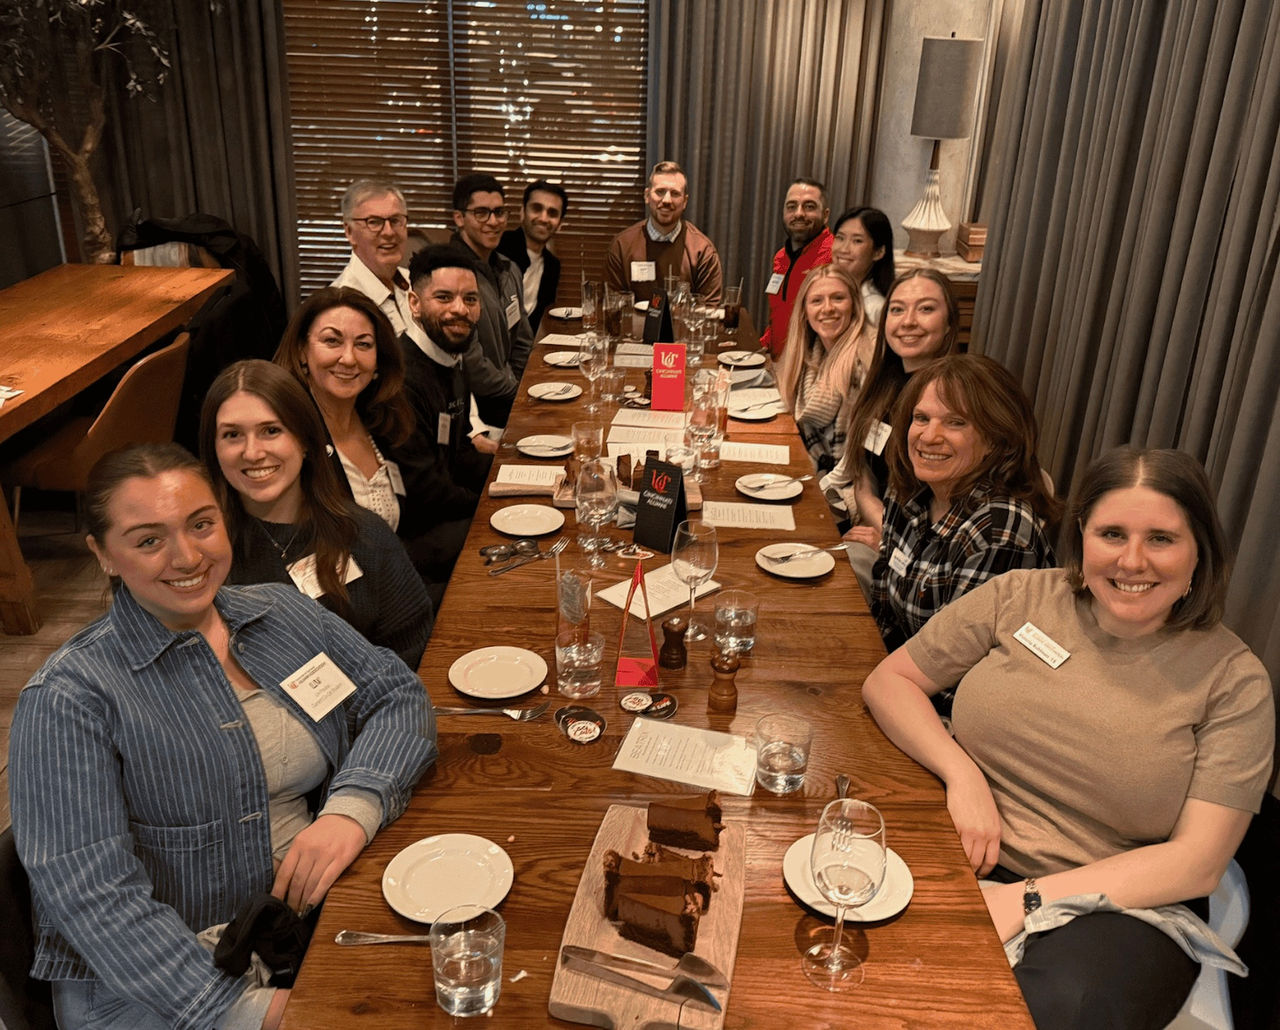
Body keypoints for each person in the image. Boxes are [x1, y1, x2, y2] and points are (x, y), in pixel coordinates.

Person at [9, 442, 436, 1030]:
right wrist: (243, 1008)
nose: (187, 556)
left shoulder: (281, 615)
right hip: (156, 988)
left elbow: (397, 696)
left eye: (201, 525)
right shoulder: (70, 699)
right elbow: (96, 899)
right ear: (102, 554)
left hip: (295, 931)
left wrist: (353, 808)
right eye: (148, 539)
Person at [863, 447, 1273, 1029]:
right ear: (1082, 536)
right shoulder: (1021, 596)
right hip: (956, 841)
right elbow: (891, 681)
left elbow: (1198, 863)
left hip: (1113, 907)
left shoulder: (1235, 682)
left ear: (1199, 550)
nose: (1133, 561)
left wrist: (1027, 897)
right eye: (1112, 533)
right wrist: (963, 776)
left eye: (1161, 538)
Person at [200, 360, 434, 667]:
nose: (253, 452)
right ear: (213, 448)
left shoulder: (365, 536)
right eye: (232, 435)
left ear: (306, 441)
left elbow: (415, 650)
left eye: (271, 431)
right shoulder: (201, 559)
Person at [870, 354, 1058, 653]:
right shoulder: (908, 492)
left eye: (955, 422)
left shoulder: (999, 531)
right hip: (893, 670)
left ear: (996, 439)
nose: (929, 436)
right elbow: (883, 609)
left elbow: (950, 662)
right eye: (921, 418)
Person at [825, 268, 963, 540]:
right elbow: (864, 480)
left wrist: (895, 545)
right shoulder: (883, 387)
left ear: (949, 323)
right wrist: (885, 528)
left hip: (925, 548)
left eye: (925, 309)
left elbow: (951, 509)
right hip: (882, 528)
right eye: (897, 310)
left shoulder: (957, 400)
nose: (908, 321)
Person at [273, 286, 415, 532]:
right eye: (332, 341)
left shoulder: (381, 423)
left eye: (363, 344)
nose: (349, 358)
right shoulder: (286, 438)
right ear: (301, 351)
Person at [401, 245, 495, 604]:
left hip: (447, 511)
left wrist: (510, 473)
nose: (460, 309)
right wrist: (488, 504)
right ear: (414, 303)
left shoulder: (451, 359)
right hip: (419, 537)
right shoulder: (403, 380)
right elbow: (424, 491)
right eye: (444, 297)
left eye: (470, 299)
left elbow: (458, 454)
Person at [446, 172, 535, 429]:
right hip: (474, 413)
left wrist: (521, 385)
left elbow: (522, 340)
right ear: (459, 218)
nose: (493, 221)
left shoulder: (509, 268)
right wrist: (519, 391)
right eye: (482, 213)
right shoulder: (451, 277)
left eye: (499, 212)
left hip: (509, 396)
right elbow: (471, 366)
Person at [774, 266, 874, 473]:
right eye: (817, 301)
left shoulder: (866, 361)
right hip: (816, 468)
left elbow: (867, 462)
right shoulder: (809, 356)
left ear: (855, 305)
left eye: (838, 298)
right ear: (805, 312)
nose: (827, 308)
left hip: (849, 481)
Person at [330, 179, 430, 353]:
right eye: (374, 222)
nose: (389, 232)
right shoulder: (341, 302)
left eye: (395, 220)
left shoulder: (416, 284)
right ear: (349, 232)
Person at [605, 160, 722, 303]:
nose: (667, 200)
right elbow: (611, 306)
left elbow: (710, 311)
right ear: (647, 196)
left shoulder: (703, 251)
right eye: (660, 192)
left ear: (685, 201)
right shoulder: (621, 246)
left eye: (675, 193)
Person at [761, 177, 833, 357]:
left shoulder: (835, 256)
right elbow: (779, 313)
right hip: (777, 363)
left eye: (809, 206)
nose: (799, 214)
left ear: (825, 215)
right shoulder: (780, 257)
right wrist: (765, 345)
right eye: (791, 206)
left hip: (812, 369)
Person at [497, 180, 567, 331]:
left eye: (552, 213)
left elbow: (541, 320)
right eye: (536, 208)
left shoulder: (552, 265)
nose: (543, 218)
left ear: (560, 224)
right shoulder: (499, 248)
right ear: (522, 212)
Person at [829, 206, 894, 329]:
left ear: (878, 252)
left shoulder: (875, 308)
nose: (843, 249)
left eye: (857, 241)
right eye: (840, 238)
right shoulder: (825, 290)